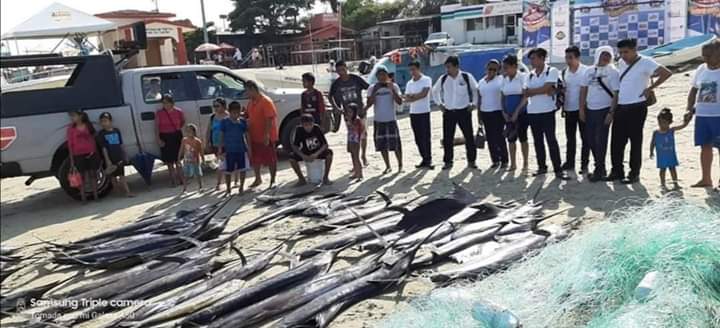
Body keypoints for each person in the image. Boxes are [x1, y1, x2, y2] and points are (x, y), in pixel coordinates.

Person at [609, 38, 672, 184]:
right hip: (621, 106)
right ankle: (617, 171)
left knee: (635, 142)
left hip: (637, 107)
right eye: (621, 52)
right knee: (617, 142)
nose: (623, 55)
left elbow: (666, 73)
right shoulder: (621, 62)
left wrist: (650, 88)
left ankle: (634, 173)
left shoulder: (646, 62)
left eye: (626, 52)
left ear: (634, 50)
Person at [523, 48, 568, 180]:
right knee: (537, 141)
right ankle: (542, 166)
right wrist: (540, 91)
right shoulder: (529, 74)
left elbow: (548, 88)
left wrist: (534, 91)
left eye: (534, 58)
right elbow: (525, 92)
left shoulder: (551, 71)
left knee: (551, 140)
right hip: (532, 112)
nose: (532, 61)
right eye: (530, 59)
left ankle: (558, 169)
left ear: (542, 58)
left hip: (547, 111)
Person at [579, 45, 619, 182]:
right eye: (603, 54)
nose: (606, 58)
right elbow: (583, 90)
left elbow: (616, 93)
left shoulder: (613, 72)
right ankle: (600, 166)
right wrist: (581, 109)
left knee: (601, 140)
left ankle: (599, 169)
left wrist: (611, 112)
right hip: (590, 109)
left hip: (605, 109)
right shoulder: (589, 71)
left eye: (608, 55)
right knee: (590, 139)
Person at [432, 55, 479, 170]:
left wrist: (474, 103)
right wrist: (439, 104)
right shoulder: (443, 78)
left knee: (468, 137)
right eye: (446, 67)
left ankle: (471, 160)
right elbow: (434, 91)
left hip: (464, 111)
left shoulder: (466, 77)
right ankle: (448, 161)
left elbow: (475, 90)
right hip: (449, 111)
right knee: (448, 138)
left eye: (449, 67)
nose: (447, 70)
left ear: (456, 66)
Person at [685, 40, 720, 190]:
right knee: (705, 146)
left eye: (709, 55)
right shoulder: (701, 69)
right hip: (702, 115)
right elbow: (693, 90)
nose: (705, 58)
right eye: (703, 55)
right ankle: (706, 179)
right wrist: (689, 108)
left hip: (718, 115)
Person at [328, 60, 370, 165]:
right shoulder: (336, 83)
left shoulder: (355, 79)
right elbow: (330, 95)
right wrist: (336, 107)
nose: (341, 72)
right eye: (338, 71)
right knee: (353, 137)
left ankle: (363, 155)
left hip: (360, 111)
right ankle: (356, 161)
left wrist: (367, 105)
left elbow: (369, 88)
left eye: (343, 69)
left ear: (346, 68)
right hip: (348, 114)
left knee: (363, 134)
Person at [366, 65, 403, 173]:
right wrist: (375, 91)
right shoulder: (372, 88)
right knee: (382, 145)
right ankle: (388, 166)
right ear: (376, 76)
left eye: (384, 74)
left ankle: (400, 164)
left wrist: (392, 89)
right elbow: (369, 103)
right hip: (379, 120)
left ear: (387, 75)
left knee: (396, 144)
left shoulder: (393, 86)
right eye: (379, 75)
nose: (382, 77)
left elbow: (399, 101)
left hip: (391, 119)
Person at [561, 46, 590, 173]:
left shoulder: (586, 71)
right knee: (570, 138)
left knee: (586, 138)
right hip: (569, 109)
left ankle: (584, 164)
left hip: (583, 109)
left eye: (571, 57)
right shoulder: (564, 72)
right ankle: (570, 162)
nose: (568, 60)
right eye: (566, 57)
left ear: (578, 58)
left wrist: (583, 109)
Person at [245, 80, 279, 188]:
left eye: (247, 91)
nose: (247, 94)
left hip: (266, 136)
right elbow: (248, 115)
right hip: (254, 135)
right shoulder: (250, 102)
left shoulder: (266, 101)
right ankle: (258, 178)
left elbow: (269, 119)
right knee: (255, 159)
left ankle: (273, 180)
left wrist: (267, 135)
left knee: (270, 159)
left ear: (253, 89)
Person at [477, 59, 508, 169]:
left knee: (500, 137)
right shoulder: (481, 82)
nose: (492, 71)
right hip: (485, 112)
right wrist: (479, 115)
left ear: (498, 70)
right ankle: (495, 160)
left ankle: (504, 160)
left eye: (495, 69)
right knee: (490, 138)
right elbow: (479, 99)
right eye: (490, 69)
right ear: (486, 68)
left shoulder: (502, 80)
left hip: (498, 112)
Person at [403, 61, 434, 169]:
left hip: (424, 111)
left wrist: (413, 97)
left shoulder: (426, 79)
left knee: (426, 136)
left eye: (414, 69)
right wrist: (413, 97)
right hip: (413, 112)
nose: (412, 72)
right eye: (410, 70)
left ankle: (428, 159)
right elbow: (406, 98)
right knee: (418, 137)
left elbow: (424, 94)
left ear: (418, 69)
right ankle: (424, 157)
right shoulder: (409, 83)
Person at [650, 108, 690, 191]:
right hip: (661, 155)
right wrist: (651, 152)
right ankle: (662, 183)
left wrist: (686, 121)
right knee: (662, 170)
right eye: (660, 122)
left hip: (670, 155)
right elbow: (652, 143)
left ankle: (675, 183)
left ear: (669, 122)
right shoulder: (656, 132)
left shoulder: (671, 130)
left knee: (673, 169)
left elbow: (682, 126)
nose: (661, 125)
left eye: (664, 123)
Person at [502, 55, 530, 172]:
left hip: (522, 113)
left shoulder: (523, 77)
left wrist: (517, 112)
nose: (505, 70)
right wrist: (504, 111)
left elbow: (525, 97)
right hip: (508, 114)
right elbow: (502, 96)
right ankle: (513, 164)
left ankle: (525, 163)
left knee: (523, 137)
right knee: (510, 139)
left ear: (514, 66)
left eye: (507, 67)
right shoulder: (505, 79)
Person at [289, 114, 333, 186]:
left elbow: (325, 145)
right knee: (291, 158)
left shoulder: (316, 128)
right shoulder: (299, 130)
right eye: (306, 125)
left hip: (317, 152)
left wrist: (316, 154)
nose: (308, 127)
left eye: (310, 124)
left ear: (313, 123)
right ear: (302, 125)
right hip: (306, 152)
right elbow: (295, 146)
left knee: (329, 153)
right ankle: (301, 179)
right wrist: (303, 155)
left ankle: (325, 177)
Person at [97, 112, 133, 197]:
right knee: (113, 177)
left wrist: (125, 155)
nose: (104, 123)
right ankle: (117, 192)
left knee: (122, 175)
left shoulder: (116, 130)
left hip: (119, 156)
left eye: (105, 121)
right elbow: (104, 148)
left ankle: (128, 192)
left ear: (110, 121)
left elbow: (121, 144)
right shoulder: (102, 134)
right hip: (110, 157)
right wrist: (107, 160)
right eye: (102, 121)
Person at [67, 110, 100, 203]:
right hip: (78, 154)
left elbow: (94, 138)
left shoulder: (88, 125)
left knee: (93, 175)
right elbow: (70, 144)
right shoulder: (71, 128)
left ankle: (96, 195)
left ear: (80, 116)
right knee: (82, 177)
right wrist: (72, 159)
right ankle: (83, 197)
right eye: (71, 116)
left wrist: (95, 152)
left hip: (91, 152)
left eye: (74, 116)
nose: (72, 118)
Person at [220, 102, 251, 195]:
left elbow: (246, 135)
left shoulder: (242, 122)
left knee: (242, 169)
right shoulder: (224, 122)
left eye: (238, 112)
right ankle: (228, 188)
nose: (236, 115)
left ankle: (241, 187)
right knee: (228, 170)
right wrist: (221, 149)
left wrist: (249, 147)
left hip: (241, 149)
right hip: (229, 150)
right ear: (229, 112)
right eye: (234, 113)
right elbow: (222, 135)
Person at [155, 94, 185, 187]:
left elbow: (183, 121)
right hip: (165, 136)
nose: (165, 105)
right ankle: (173, 180)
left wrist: (177, 129)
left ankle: (181, 179)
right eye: (163, 103)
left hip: (176, 135)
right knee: (169, 161)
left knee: (178, 159)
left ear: (172, 103)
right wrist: (158, 139)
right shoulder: (159, 113)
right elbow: (156, 127)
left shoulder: (178, 111)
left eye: (167, 103)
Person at [206, 98, 232, 190]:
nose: (215, 108)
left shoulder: (228, 116)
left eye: (217, 106)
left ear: (224, 106)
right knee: (220, 164)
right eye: (214, 106)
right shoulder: (213, 117)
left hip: (227, 144)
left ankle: (231, 182)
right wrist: (207, 142)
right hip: (215, 144)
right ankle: (219, 183)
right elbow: (209, 130)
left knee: (227, 163)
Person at [179, 124, 204, 192]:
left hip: (195, 160)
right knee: (186, 175)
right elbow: (181, 149)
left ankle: (200, 186)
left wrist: (203, 159)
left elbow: (201, 151)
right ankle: (185, 189)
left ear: (194, 132)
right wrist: (178, 158)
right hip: (187, 160)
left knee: (198, 174)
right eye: (187, 131)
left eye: (190, 131)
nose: (189, 132)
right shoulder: (184, 140)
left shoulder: (197, 141)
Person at [345, 104, 365, 180]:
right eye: (348, 112)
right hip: (350, 138)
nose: (349, 113)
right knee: (353, 156)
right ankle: (356, 173)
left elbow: (356, 128)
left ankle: (360, 174)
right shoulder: (351, 119)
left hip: (356, 140)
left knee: (356, 157)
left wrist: (349, 121)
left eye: (350, 112)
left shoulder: (357, 120)